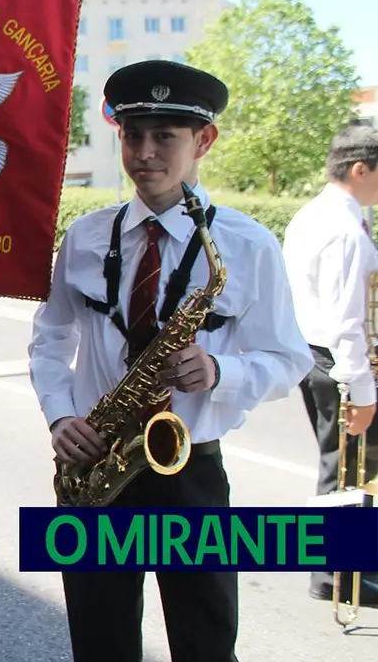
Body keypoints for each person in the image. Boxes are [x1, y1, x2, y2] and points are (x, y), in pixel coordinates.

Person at [28, 60, 313, 662]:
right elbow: (50, 337)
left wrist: (221, 372)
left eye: (166, 137)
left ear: (203, 141)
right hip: (95, 464)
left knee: (205, 645)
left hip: (188, 472)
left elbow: (287, 358)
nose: (145, 153)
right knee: (100, 645)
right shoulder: (83, 237)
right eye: (134, 135)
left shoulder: (246, 244)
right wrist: (60, 418)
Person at [283, 123, 378, 607]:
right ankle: (338, 573)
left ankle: (338, 569)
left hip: (313, 353)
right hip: (334, 359)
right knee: (347, 469)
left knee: (340, 465)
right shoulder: (344, 230)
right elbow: (346, 322)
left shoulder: (313, 213)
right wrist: (361, 391)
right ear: (360, 169)